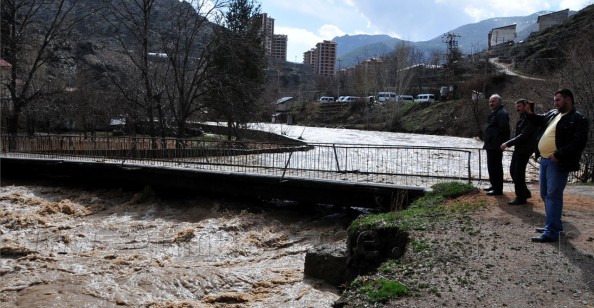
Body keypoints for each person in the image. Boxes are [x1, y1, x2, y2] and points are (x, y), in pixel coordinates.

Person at [526, 89, 589, 243]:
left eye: (558, 100)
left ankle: (551, 231)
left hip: (558, 162)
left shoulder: (579, 119)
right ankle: (554, 225)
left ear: (568, 100)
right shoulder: (554, 113)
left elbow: (578, 142)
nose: (555, 103)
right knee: (544, 194)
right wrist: (530, 113)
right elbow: (540, 120)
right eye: (555, 100)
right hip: (545, 160)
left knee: (553, 195)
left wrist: (559, 155)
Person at [500, 99, 539, 205]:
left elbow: (523, 136)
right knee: (513, 171)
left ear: (526, 106)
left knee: (518, 173)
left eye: (519, 107)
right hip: (519, 148)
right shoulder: (522, 118)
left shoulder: (530, 119)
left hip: (525, 150)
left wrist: (507, 143)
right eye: (516, 107)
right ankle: (525, 192)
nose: (517, 109)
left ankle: (521, 197)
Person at [483, 94, 510, 196]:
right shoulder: (496, 112)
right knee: (491, 166)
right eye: (490, 101)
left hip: (496, 145)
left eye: (493, 101)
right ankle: (494, 185)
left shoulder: (501, 113)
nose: (491, 103)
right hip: (491, 144)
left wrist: (503, 143)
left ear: (499, 102)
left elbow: (505, 130)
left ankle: (498, 189)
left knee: (496, 167)